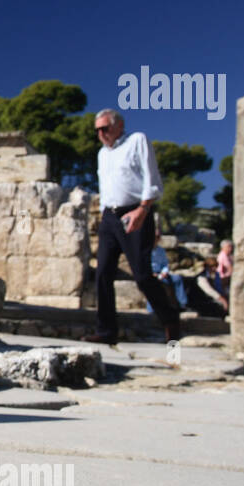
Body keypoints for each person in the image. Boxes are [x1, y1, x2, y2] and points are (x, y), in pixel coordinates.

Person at [85, 109, 182, 344]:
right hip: (109, 217)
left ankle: (170, 319)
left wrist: (143, 209)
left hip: (136, 212)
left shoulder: (136, 141)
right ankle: (107, 331)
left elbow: (152, 178)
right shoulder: (102, 154)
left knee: (141, 275)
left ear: (119, 126)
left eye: (105, 128)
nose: (101, 133)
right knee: (103, 274)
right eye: (97, 129)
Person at [147, 222, 188, 314]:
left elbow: (165, 264)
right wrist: (152, 273)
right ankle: (151, 309)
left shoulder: (161, 250)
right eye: (155, 236)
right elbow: (143, 264)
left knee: (178, 278)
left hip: (162, 273)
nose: (156, 239)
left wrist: (164, 272)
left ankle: (182, 304)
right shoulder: (145, 250)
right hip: (151, 273)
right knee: (151, 284)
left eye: (158, 237)